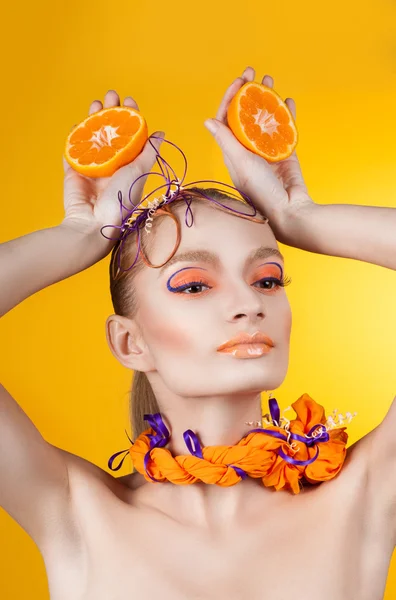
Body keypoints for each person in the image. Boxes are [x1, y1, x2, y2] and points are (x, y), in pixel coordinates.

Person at [1, 66, 395, 599]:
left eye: (267, 278)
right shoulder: (74, 512)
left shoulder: (364, 497)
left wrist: (299, 215)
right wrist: (81, 234)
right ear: (129, 342)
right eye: (193, 285)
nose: (248, 303)